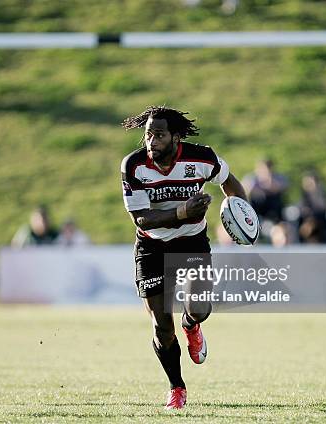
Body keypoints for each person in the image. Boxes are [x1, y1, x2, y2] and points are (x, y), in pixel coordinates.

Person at [121, 106, 247, 410]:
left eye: (159, 134)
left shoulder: (202, 158)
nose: (151, 141)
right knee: (162, 328)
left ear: (176, 137)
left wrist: (243, 215)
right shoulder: (133, 166)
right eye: (148, 134)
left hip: (191, 241)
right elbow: (142, 219)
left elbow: (230, 182)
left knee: (199, 308)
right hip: (151, 246)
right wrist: (182, 212)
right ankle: (177, 387)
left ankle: (192, 325)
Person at [243, 159, 289, 223]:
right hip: (257, 204)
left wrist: (269, 180)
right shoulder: (252, 178)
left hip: (273, 205)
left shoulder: (277, 177)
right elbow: (245, 190)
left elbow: (282, 188)